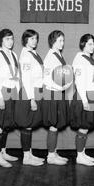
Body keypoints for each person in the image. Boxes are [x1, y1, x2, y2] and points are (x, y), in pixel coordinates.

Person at [0, 29, 20, 168]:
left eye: (12, 38)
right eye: (7, 39)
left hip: (11, 92)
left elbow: (16, 74)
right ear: (1, 40)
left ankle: (3, 151)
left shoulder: (13, 54)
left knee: (6, 124)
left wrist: (17, 91)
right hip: (1, 92)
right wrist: (0, 97)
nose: (10, 41)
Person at [15, 29, 45, 166]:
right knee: (26, 125)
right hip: (29, 92)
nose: (35, 41)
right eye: (32, 38)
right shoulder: (26, 55)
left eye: (36, 38)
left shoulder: (33, 53)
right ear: (25, 40)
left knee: (30, 125)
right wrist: (32, 98)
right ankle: (26, 157)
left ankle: (30, 154)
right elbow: (26, 78)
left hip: (36, 91)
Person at [41, 30, 71, 165]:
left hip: (59, 92)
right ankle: (51, 156)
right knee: (53, 124)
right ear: (53, 41)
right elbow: (46, 79)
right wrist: (61, 88)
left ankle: (53, 152)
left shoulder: (58, 55)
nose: (62, 43)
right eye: (60, 40)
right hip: (53, 93)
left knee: (57, 124)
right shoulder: (50, 57)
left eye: (63, 40)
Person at [70, 34, 94, 166]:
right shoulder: (79, 58)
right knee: (83, 126)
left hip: (91, 94)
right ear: (83, 45)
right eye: (89, 44)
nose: (92, 47)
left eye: (93, 44)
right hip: (83, 96)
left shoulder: (89, 59)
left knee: (86, 126)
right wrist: (85, 101)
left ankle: (82, 153)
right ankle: (79, 156)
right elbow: (79, 82)